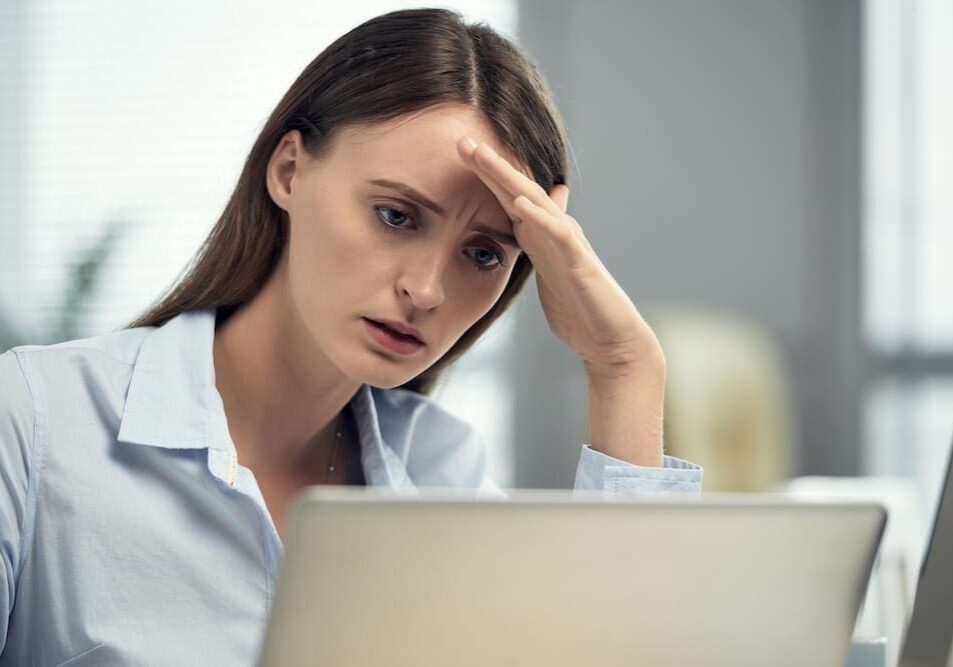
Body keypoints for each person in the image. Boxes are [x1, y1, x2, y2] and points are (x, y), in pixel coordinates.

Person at [0, 8, 702, 664]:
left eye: (483, 253)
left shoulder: (441, 473)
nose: (426, 290)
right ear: (288, 170)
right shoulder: (35, 422)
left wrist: (621, 369)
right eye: (396, 215)